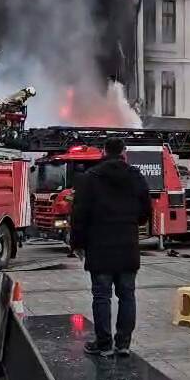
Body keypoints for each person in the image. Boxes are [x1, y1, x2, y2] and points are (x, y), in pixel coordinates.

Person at [70, 137, 151, 357]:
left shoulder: (90, 178)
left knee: (101, 296)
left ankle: (103, 344)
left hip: (99, 246)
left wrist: (77, 243)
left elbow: (79, 214)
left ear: (104, 151)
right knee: (127, 295)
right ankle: (123, 344)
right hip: (127, 244)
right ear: (124, 152)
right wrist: (132, 223)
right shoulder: (135, 177)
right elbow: (146, 209)